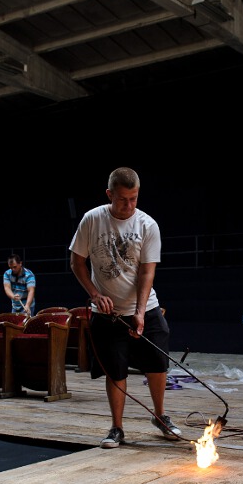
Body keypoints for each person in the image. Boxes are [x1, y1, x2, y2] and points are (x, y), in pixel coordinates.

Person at [69, 166, 182, 449]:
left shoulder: (148, 225)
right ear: (109, 194)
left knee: (157, 363)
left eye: (134, 199)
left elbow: (147, 272)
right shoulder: (91, 220)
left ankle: (160, 415)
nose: (129, 205)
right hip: (107, 313)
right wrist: (95, 294)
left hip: (144, 306)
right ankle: (117, 427)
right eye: (122, 199)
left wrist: (141, 312)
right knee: (115, 370)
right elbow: (76, 262)